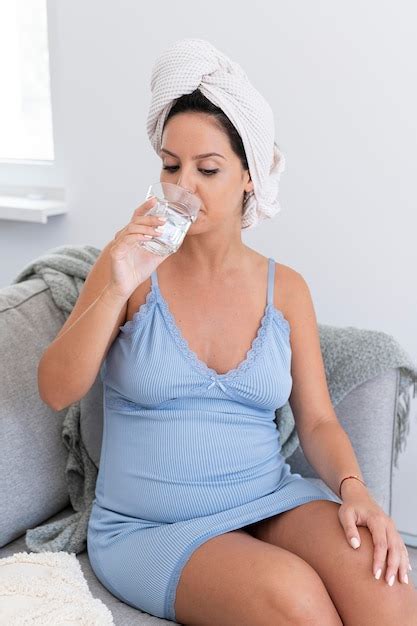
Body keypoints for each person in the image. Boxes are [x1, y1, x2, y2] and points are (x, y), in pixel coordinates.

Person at [41, 40, 417, 625]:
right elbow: (56, 389)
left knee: (385, 585)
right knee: (293, 599)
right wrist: (113, 284)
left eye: (207, 168)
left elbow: (316, 420)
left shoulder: (285, 289)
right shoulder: (129, 268)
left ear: (249, 175)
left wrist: (355, 490)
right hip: (151, 529)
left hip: (265, 499)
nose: (183, 185)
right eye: (170, 165)